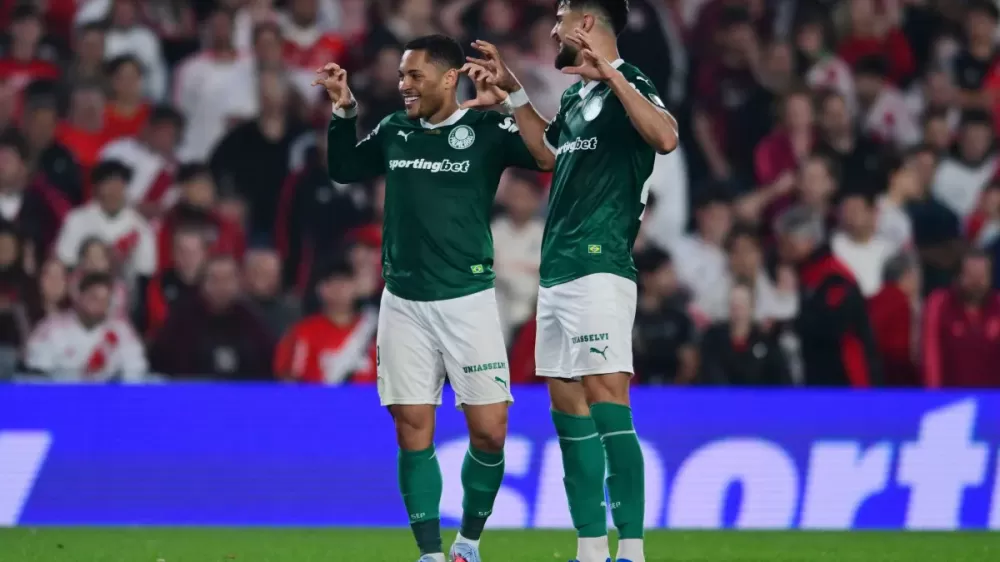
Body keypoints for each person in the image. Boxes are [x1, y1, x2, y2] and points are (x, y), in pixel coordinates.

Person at [313, 34, 543, 562]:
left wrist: (512, 96)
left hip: (468, 300)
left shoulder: (486, 129)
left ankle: (469, 543)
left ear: (449, 78)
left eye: (415, 75)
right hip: (405, 303)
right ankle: (430, 553)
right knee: (412, 426)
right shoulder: (396, 129)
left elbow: (546, 155)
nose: (404, 85)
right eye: (401, 75)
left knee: (490, 432)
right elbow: (345, 168)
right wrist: (344, 110)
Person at [466, 1, 678, 560]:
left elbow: (665, 137)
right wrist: (513, 93)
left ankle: (631, 551)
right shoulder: (576, 96)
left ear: (585, 23)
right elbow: (546, 154)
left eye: (560, 17)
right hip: (557, 270)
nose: (553, 29)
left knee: (608, 404)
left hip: (599, 266)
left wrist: (612, 75)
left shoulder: (630, 81)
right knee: (568, 414)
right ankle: (589, 549)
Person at [776, 206, 881, 387]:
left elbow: (832, 326)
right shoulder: (806, 274)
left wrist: (792, 323)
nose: (782, 250)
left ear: (807, 241)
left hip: (845, 380)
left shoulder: (834, 278)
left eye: (787, 243)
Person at [24, 272, 147, 382]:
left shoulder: (121, 331)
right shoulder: (51, 328)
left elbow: (136, 371)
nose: (100, 304)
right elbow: (37, 375)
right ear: (80, 297)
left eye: (105, 300)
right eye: (94, 298)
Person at [273, 258, 378, 384]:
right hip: (315, 396)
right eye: (331, 283)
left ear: (356, 286)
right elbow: (287, 381)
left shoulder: (374, 329)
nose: (339, 289)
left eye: (345, 282)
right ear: (319, 289)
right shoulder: (302, 332)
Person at [922, 250, 1000, 388]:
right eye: (971, 276)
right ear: (958, 276)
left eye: (982, 277)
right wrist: (934, 394)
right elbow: (931, 355)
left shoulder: (998, 304)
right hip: (951, 396)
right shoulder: (939, 304)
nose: (977, 283)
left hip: (993, 397)